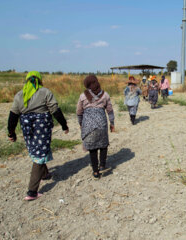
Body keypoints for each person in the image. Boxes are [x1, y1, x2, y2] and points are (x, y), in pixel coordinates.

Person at [7, 71, 69, 201]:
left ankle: (45, 174)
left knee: (37, 148)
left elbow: (13, 115)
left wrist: (11, 132)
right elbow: (55, 110)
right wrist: (64, 125)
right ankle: (32, 191)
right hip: (42, 128)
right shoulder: (45, 92)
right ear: (40, 80)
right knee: (40, 154)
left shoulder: (20, 94)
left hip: (27, 128)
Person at [76, 74, 115, 178]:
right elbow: (110, 110)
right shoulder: (105, 95)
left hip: (88, 125)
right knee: (103, 144)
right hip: (102, 124)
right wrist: (112, 123)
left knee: (92, 148)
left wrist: (80, 123)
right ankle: (102, 165)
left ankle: (95, 171)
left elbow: (79, 112)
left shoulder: (83, 96)